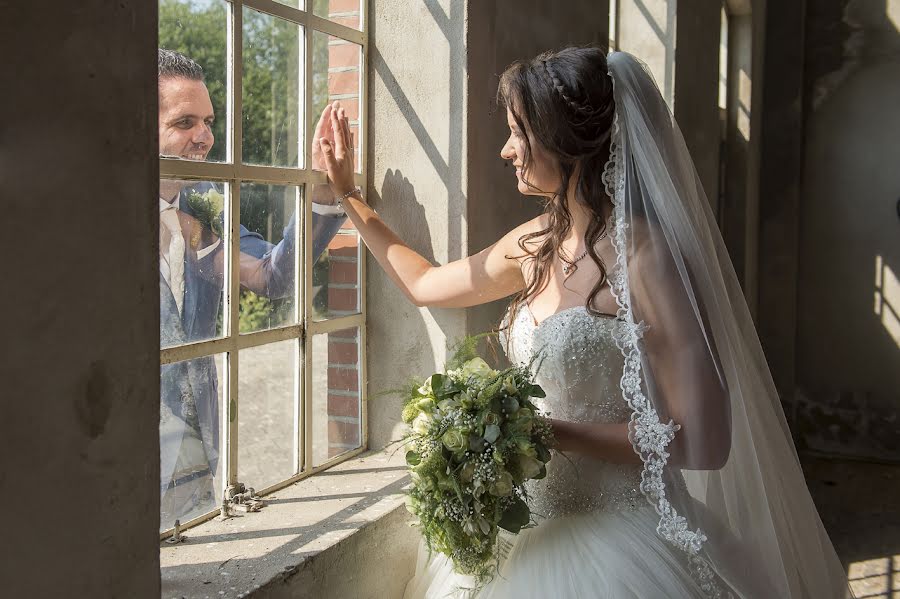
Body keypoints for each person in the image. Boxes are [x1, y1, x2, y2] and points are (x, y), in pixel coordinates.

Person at [316, 48, 853, 598]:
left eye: (518, 133)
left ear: (564, 139)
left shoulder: (649, 260)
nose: (506, 151)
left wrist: (549, 434)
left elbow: (707, 443)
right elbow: (425, 284)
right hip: (526, 533)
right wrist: (349, 196)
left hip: (621, 536)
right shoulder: (533, 243)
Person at [158, 48, 348, 527]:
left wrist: (321, 195)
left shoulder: (204, 208)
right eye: (186, 123)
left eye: (208, 120)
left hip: (196, 447)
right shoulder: (83, 217)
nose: (205, 137)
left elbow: (273, 275)